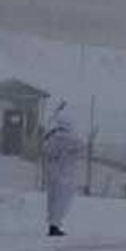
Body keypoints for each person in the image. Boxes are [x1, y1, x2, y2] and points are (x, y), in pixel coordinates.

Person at [42, 101, 83, 237]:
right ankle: (55, 225)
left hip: (52, 175)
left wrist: (48, 135)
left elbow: (46, 151)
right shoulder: (72, 139)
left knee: (52, 201)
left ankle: (52, 225)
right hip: (65, 176)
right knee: (62, 202)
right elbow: (82, 147)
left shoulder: (52, 139)